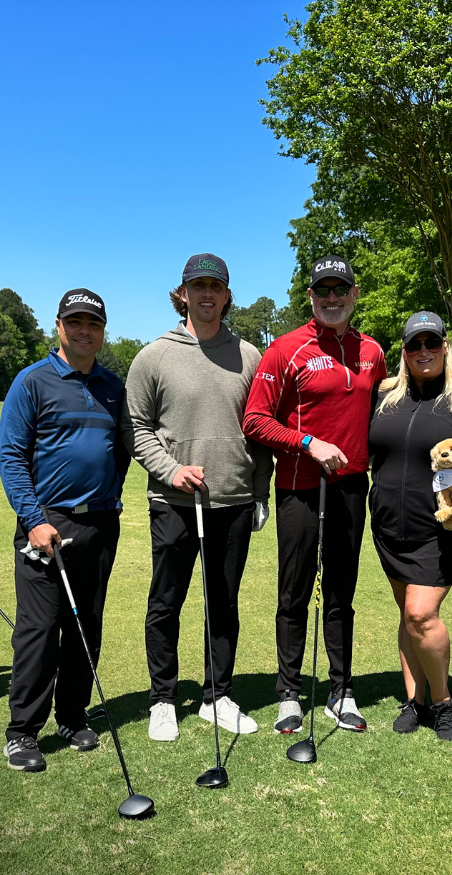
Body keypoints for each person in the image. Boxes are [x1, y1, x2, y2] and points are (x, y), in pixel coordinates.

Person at [124, 254, 273, 741]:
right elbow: (136, 428)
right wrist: (170, 470)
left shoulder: (250, 356)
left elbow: (261, 430)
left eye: (216, 286)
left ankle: (218, 695)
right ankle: (163, 699)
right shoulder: (154, 356)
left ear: (228, 296)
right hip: (173, 504)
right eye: (197, 286)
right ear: (182, 293)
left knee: (223, 603)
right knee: (166, 603)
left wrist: (259, 492)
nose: (206, 294)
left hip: (232, 502)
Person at [243, 255, 386, 733]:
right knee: (295, 592)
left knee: (342, 593)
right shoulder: (286, 349)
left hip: (349, 488)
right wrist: (307, 442)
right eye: (322, 290)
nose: (331, 298)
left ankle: (341, 690)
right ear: (310, 297)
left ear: (354, 294)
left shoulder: (373, 351)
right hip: (301, 487)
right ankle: (289, 693)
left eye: (339, 289)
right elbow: (255, 420)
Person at [0, 289, 129, 772]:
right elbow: (11, 455)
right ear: (58, 326)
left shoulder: (114, 387)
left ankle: (71, 717)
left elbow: (121, 451)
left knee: (84, 625)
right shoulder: (32, 382)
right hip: (46, 523)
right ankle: (22, 732)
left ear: (102, 331)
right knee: (38, 629)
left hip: (99, 522)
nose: (84, 331)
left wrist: (109, 497)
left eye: (93, 324)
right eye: (75, 322)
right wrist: (34, 520)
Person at [368, 312, 452, 740]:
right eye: (413, 345)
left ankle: (443, 702)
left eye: (431, 342)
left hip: (442, 527)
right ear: (403, 352)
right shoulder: (385, 396)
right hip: (389, 524)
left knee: (421, 614)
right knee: (407, 615)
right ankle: (414, 700)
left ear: (446, 346)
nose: (423, 351)